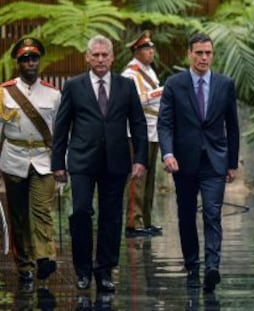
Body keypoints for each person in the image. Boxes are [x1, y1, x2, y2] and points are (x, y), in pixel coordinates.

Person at [51, 35, 148, 292]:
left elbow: (138, 123)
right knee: (80, 212)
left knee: (112, 218)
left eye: (105, 55)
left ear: (113, 57)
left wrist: (140, 159)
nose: (101, 59)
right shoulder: (74, 86)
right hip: (82, 160)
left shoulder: (126, 86)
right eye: (95, 55)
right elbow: (61, 127)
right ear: (87, 57)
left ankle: (104, 271)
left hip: (115, 162)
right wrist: (57, 163)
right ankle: (82, 270)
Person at [157, 33, 240, 292]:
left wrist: (232, 162)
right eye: (199, 53)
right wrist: (168, 153)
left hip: (215, 160)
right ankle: (192, 264)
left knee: (213, 213)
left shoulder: (225, 84)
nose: (204, 57)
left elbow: (233, 126)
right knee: (185, 214)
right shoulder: (174, 84)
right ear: (190, 54)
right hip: (184, 161)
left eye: (208, 53)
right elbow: (165, 123)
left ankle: (212, 266)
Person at [0, 37, 60, 291]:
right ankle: (24, 266)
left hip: (43, 161)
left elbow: (60, 132)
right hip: (14, 158)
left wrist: (62, 165)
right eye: (25, 59)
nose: (30, 63)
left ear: (40, 60)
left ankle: (45, 257)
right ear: (18, 62)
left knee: (41, 210)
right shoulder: (4, 92)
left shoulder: (53, 94)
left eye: (34, 58)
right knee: (19, 216)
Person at [122, 30, 163, 238]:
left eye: (152, 48)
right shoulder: (131, 74)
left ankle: (146, 219)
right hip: (137, 132)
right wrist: (161, 91)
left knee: (149, 179)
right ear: (136, 51)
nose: (151, 52)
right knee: (137, 178)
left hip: (153, 130)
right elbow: (137, 99)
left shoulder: (149, 72)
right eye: (146, 48)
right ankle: (133, 222)